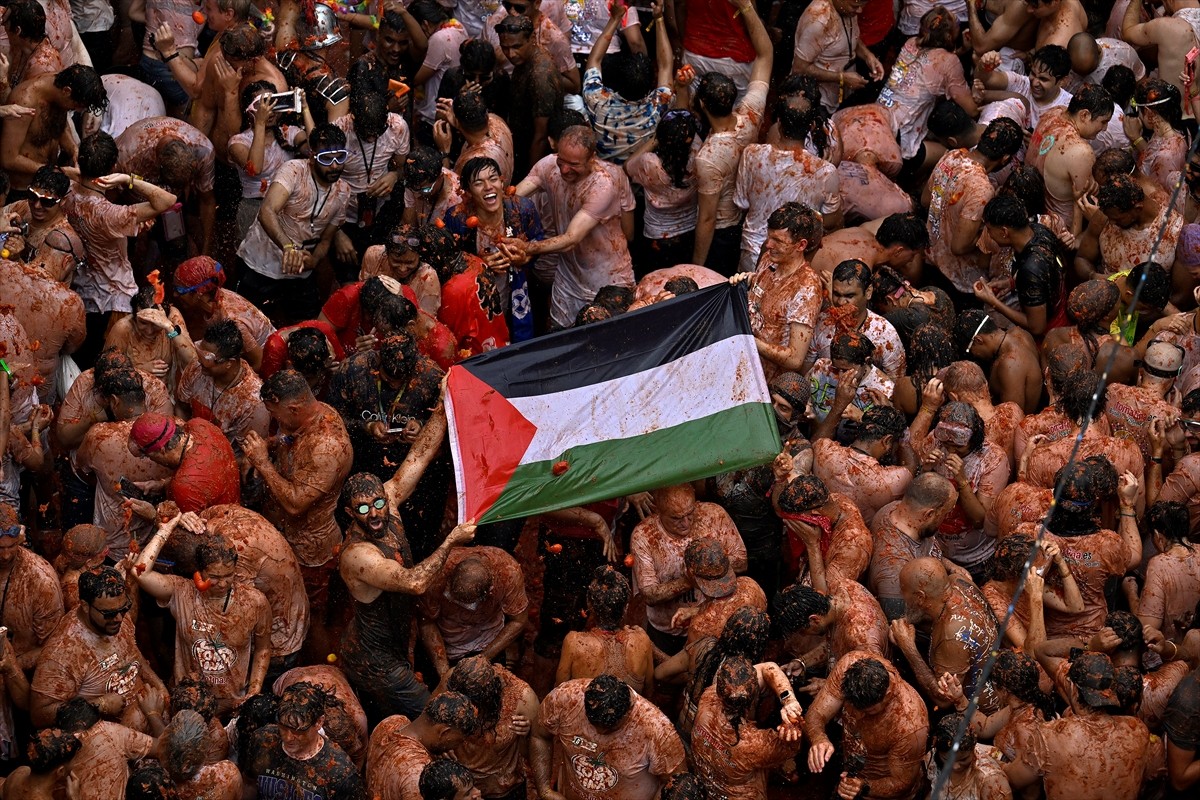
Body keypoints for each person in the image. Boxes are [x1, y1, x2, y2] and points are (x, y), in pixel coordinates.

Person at [337, 471, 476, 722]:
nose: (374, 514)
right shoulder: (358, 554)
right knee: (432, 719)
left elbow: (419, 459)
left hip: (393, 642)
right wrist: (450, 541)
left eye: (379, 503)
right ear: (350, 513)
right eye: (363, 508)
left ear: (386, 499)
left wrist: (444, 429)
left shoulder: (388, 509)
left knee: (386, 709)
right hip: (376, 662)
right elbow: (415, 583)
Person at [241, 369, 353, 660]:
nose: (275, 420)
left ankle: (322, 670)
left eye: (274, 413)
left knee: (311, 615)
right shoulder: (310, 415)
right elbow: (290, 440)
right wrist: (269, 445)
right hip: (287, 535)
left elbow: (295, 504)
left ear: (292, 407)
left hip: (312, 549)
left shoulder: (326, 446)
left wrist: (263, 464)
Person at [132, 518, 272, 713]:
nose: (222, 584)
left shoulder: (254, 602)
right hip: (188, 701)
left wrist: (254, 690)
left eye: (228, 576)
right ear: (198, 572)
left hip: (232, 704)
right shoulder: (182, 592)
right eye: (214, 577)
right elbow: (140, 573)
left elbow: (263, 649)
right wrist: (165, 530)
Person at [64, 133, 178, 368]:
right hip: (114, 299)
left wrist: (84, 175)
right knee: (116, 365)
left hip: (82, 295)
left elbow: (70, 174)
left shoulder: (68, 193)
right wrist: (129, 179)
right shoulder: (109, 214)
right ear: (112, 168)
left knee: (85, 362)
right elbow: (167, 200)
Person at [511, 125, 633, 328]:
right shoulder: (549, 165)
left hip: (607, 278)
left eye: (574, 164)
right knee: (560, 337)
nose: (564, 170)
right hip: (568, 277)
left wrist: (527, 247)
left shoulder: (603, 184)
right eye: (562, 161)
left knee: (606, 342)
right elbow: (514, 198)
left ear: (592, 158)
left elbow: (571, 239)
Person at [236, 123, 352, 325]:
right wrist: (288, 247)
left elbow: (326, 240)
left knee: (306, 328)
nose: (334, 165)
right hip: (261, 264)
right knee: (245, 324)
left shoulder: (343, 191)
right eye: (326, 158)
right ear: (312, 155)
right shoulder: (293, 171)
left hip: (300, 273)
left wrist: (314, 260)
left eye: (340, 157)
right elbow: (267, 211)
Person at [689, 0, 772, 269]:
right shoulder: (750, 115)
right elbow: (765, 54)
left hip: (722, 234)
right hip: (743, 221)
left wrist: (697, 267)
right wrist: (746, 6)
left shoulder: (708, 158)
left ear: (702, 105)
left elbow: (707, 220)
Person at [31, 566, 166, 731]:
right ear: (85, 606)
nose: (118, 618)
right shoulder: (64, 650)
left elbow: (132, 653)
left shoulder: (115, 618)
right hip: (108, 742)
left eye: (123, 609)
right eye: (109, 614)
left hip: (147, 719)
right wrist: (98, 705)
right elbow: (39, 714)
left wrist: (159, 685)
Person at [1005, 651, 1152, 800]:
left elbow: (1015, 779)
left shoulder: (1049, 735)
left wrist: (993, 761)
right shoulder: (1138, 729)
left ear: (1073, 689)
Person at [630, 483, 747, 654]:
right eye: (676, 518)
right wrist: (689, 580)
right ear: (658, 511)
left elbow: (742, 562)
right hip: (667, 628)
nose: (685, 523)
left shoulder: (714, 515)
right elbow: (649, 594)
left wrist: (707, 569)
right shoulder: (645, 535)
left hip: (711, 620)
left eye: (690, 514)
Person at [532, 674, 686, 800]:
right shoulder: (566, 699)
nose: (599, 733)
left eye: (610, 728)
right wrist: (544, 789)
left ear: (628, 712)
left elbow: (677, 785)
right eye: (592, 724)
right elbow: (539, 736)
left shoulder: (657, 730)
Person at [733, 97, 840, 272]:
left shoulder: (752, 154)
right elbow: (830, 221)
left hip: (751, 252)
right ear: (811, 126)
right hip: (791, 259)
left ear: (779, 123)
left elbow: (741, 202)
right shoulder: (826, 171)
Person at [803, 653, 929, 800]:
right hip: (851, 769)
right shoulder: (850, 665)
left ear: (887, 695)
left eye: (868, 711)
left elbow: (901, 783)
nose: (857, 713)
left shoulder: (910, 724)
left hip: (885, 793)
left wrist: (863, 786)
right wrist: (819, 738)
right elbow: (816, 714)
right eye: (852, 705)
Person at [924, 116, 1023, 296]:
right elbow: (959, 247)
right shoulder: (982, 189)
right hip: (957, 278)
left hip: (930, 254)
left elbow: (926, 200)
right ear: (1006, 158)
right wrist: (985, 229)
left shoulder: (951, 156)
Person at [689, 656, 804, 800]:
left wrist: (788, 700)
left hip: (709, 783)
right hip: (743, 795)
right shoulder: (754, 743)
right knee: (793, 775)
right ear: (753, 698)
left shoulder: (708, 698)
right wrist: (790, 709)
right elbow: (792, 749)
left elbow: (765, 668)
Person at [890, 558, 1000, 708]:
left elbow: (944, 699)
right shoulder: (958, 580)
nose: (902, 597)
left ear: (920, 597)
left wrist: (908, 647)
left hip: (981, 711)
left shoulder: (951, 637)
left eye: (903, 591)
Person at [740, 202, 825, 382]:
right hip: (743, 365)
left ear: (801, 245)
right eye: (769, 237)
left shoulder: (807, 288)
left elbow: (795, 359)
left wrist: (748, 341)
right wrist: (745, 283)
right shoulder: (769, 260)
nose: (768, 245)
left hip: (768, 383)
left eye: (778, 241)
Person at [418, 546, 530, 680]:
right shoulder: (437, 572)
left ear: (490, 592)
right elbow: (426, 621)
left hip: (487, 640)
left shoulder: (508, 572)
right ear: (449, 581)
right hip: (445, 643)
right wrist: (443, 672)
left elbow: (518, 620)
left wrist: (481, 660)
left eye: (468, 606)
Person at [437, 656, 540, 800]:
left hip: (503, 788)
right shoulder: (453, 679)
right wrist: (439, 744)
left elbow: (536, 752)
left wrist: (526, 736)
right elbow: (430, 720)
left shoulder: (523, 699)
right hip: (460, 786)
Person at [242, 681, 364, 800]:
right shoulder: (263, 740)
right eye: (283, 727)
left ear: (319, 722)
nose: (287, 737)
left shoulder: (339, 773)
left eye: (298, 731)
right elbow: (249, 784)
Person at [113, 115, 218, 253]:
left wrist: (206, 251)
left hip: (172, 204)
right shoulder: (129, 154)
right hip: (130, 201)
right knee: (129, 249)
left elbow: (207, 201)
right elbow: (110, 197)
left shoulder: (203, 151)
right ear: (159, 166)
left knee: (177, 247)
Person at [1, 65, 107, 196]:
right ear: (66, 91)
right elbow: (8, 159)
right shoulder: (25, 101)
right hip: (22, 189)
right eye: (77, 106)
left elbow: (57, 124)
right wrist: (58, 171)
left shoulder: (61, 90)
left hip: (50, 179)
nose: (78, 111)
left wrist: (73, 149)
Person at [868, 472, 959, 619]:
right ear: (928, 515)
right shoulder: (894, 572)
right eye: (945, 513)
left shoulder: (899, 508)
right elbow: (902, 625)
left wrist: (950, 566)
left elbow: (926, 550)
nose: (946, 519)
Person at [975, 193, 1069, 336]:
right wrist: (1011, 283)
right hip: (1057, 304)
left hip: (1052, 332)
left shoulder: (1030, 270)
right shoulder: (1039, 230)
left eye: (989, 229)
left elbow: (1037, 327)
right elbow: (1050, 274)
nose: (989, 234)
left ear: (1004, 232)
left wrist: (994, 302)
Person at [1026, 85, 1114, 233]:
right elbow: (1087, 201)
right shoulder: (1080, 152)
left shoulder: (1054, 112)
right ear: (1084, 115)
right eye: (1103, 122)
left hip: (1034, 211)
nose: (1104, 128)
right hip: (1062, 230)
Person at [555, 567, 655, 696]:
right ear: (626, 607)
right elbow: (649, 694)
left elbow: (559, 694)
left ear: (589, 605)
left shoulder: (574, 643)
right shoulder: (642, 640)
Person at [174, 318, 271, 449]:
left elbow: (247, 455)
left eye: (207, 358)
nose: (200, 361)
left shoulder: (252, 402)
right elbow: (181, 407)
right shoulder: (197, 368)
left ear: (229, 363)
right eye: (200, 352)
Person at [126, 411, 240, 514]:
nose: (149, 460)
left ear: (161, 450)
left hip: (223, 526)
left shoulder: (184, 487)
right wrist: (163, 485)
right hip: (235, 504)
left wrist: (153, 515)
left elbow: (189, 535)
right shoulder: (199, 425)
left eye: (146, 456)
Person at [496, 14, 564, 178]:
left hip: (534, 154)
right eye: (505, 47)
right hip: (520, 143)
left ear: (532, 38)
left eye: (516, 46)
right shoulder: (524, 58)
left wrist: (531, 178)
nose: (510, 54)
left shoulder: (540, 75)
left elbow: (541, 136)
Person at [0, 504, 64, 672]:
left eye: (12, 546)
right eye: (0, 548)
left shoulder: (41, 581)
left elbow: (54, 646)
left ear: (20, 539)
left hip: (21, 668)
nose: (6, 555)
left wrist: (10, 667)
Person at [956, 309, 1044, 412]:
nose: (975, 355)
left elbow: (1012, 419)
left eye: (970, 351)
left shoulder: (1009, 365)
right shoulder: (1019, 333)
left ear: (978, 340)